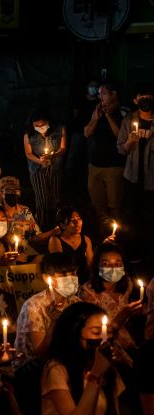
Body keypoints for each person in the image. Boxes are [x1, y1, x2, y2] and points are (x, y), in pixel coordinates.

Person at [41, 301, 125, 415]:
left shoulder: (109, 367)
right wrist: (95, 375)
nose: (105, 339)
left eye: (108, 332)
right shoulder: (57, 369)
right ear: (74, 334)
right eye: (97, 332)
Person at [13, 253, 82, 368]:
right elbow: (40, 353)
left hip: (66, 362)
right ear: (47, 278)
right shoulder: (33, 306)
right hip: (33, 367)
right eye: (64, 274)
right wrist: (53, 322)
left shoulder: (76, 302)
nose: (71, 278)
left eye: (73, 273)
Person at [78, 242, 143, 351]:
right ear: (97, 266)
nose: (113, 268)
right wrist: (124, 314)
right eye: (106, 264)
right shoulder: (87, 293)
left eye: (118, 263)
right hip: (102, 349)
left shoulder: (127, 284)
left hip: (127, 344)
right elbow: (98, 333)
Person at [84, 82, 127, 228]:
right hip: (95, 164)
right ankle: (103, 232)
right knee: (98, 203)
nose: (99, 96)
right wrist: (96, 118)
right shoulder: (97, 111)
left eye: (103, 93)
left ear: (113, 94)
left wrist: (108, 116)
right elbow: (87, 133)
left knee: (114, 204)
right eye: (99, 94)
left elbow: (120, 135)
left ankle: (117, 233)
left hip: (114, 166)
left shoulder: (122, 111)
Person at [117, 87, 154, 248]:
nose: (145, 99)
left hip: (151, 179)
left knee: (150, 215)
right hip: (132, 177)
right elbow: (121, 149)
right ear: (135, 100)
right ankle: (132, 248)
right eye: (141, 96)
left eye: (148, 96)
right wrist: (130, 141)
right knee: (131, 215)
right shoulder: (128, 121)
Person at [24, 109, 67, 229]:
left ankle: (58, 225)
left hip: (55, 168)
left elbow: (63, 148)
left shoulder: (59, 129)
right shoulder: (29, 135)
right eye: (36, 125)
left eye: (42, 124)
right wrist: (40, 161)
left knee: (56, 197)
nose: (40, 127)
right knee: (42, 199)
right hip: (37, 169)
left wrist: (52, 156)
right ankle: (43, 227)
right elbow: (28, 153)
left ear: (48, 122)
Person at [48, 206, 93, 284]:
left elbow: (90, 264)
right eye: (72, 220)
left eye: (79, 219)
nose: (77, 223)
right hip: (66, 281)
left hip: (84, 281)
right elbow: (59, 266)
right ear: (62, 225)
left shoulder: (86, 239)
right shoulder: (55, 240)